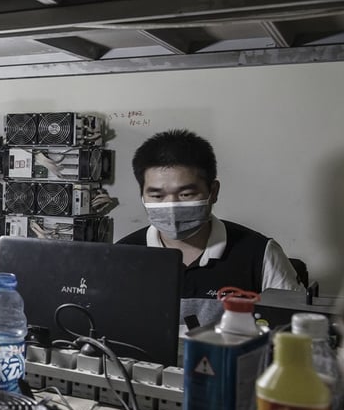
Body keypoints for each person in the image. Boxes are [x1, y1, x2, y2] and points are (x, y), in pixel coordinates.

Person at [117, 129, 303, 323]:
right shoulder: (121, 256)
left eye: (186, 194)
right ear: (142, 196)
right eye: (157, 196)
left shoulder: (260, 253)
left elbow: (296, 330)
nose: (171, 206)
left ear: (213, 192)